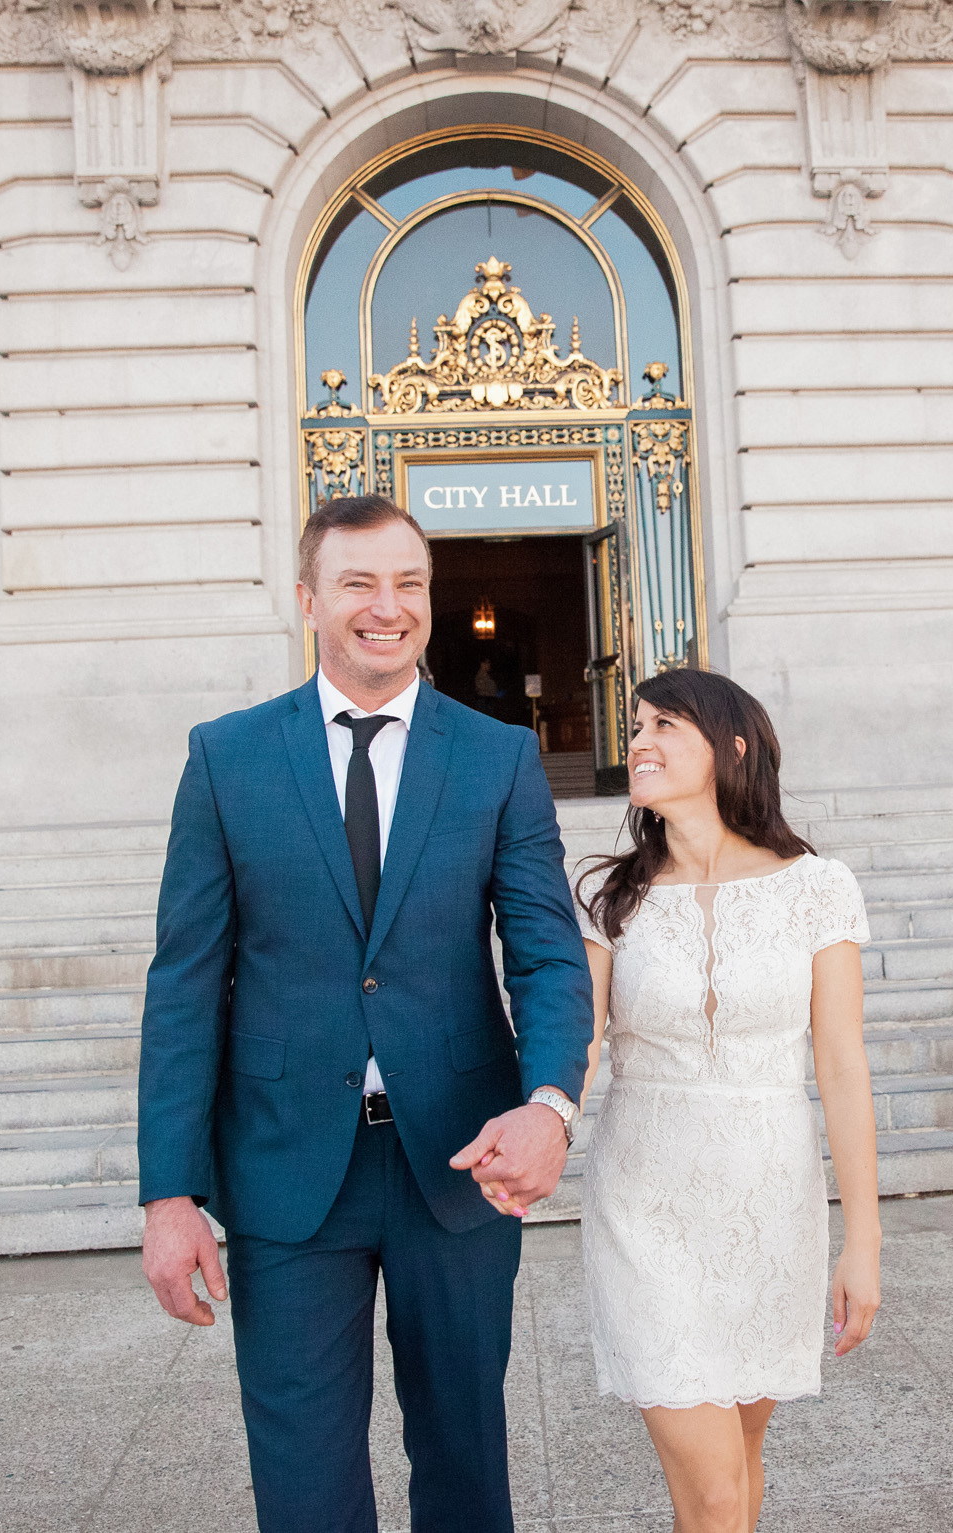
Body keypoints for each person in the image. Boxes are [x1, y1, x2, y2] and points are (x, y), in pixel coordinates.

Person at [136, 493, 593, 1533]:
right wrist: (169, 1194)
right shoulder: (225, 758)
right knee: (302, 1486)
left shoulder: (496, 758)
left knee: (465, 1461)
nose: (386, 607)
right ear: (308, 600)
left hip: (459, 1164)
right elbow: (184, 986)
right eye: (358, 583)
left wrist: (550, 1106)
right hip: (287, 1174)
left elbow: (547, 956)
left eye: (408, 583)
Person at [573, 668, 881, 1533]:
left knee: (736, 1479)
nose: (639, 740)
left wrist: (864, 1241)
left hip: (768, 1211)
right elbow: (578, 1046)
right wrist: (538, 1123)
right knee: (714, 1490)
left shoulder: (817, 886)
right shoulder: (608, 894)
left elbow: (842, 1061)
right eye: (635, 725)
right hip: (645, 1208)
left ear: (733, 746)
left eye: (666, 723)